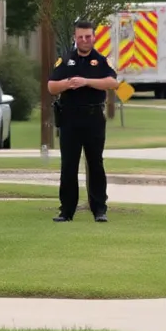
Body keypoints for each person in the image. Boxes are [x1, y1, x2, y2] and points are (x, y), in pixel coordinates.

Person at [47, 19, 119, 223]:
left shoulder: (102, 60)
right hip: (70, 118)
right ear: (75, 38)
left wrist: (87, 81)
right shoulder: (65, 60)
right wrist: (68, 84)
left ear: (94, 37)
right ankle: (66, 210)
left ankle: (99, 209)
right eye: (81, 37)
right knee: (68, 165)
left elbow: (113, 82)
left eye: (88, 36)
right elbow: (51, 86)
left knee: (95, 163)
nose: (85, 40)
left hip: (93, 118)